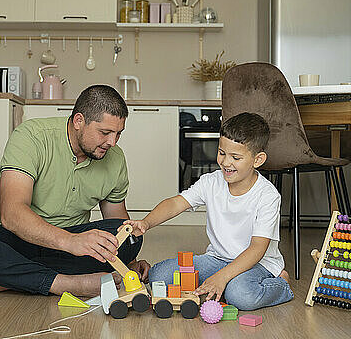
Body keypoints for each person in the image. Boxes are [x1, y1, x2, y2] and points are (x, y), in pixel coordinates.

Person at [0, 85, 149, 298]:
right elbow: (12, 214)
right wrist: (70, 242)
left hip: (71, 247)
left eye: (118, 133)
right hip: (13, 240)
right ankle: (65, 283)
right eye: (105, 132)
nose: (112, 142)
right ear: (79, 121)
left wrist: (127, 265)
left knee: (132, 238)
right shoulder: (32, 137)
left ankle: (8, 279)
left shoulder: (115, 158)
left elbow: (118, 222)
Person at [122, 112, 294, 310]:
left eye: (236, 157)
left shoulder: (267, 195)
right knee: (158, 277)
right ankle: (223, 285)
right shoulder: (211, 182)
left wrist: (220, 278)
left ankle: (281, 284)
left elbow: (257, 248)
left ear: (258, 159)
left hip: (256, 263)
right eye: (222, 153)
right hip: (217, 259)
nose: (226, 162)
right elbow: (176, 203)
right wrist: (146, 222)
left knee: (240, 296)